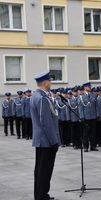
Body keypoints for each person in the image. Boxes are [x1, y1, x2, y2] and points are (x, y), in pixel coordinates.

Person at [31, 71, 60, 200]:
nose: (51, 83)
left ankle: (41, 194)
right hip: (46, 141)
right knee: (44, 170)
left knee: (40, 169)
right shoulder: (42, 98)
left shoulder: (36, 95)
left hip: (41, 140)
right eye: (50, 81)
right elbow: (46, 122)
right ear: (45, 82)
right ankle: (41, 196)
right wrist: (54, 141)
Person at [78, 82, 98, 152]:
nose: (90, 87)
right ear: (85, 88)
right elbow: (80, 107)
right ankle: (85, 147)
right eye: (88, 86)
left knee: (93, 132)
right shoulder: (81, 96)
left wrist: (97, 115)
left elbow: (96, 106)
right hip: (86, 117)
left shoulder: (93, 95)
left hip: (93, 116)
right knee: (85, 133)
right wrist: (82, 117)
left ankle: (93, 146)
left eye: (90, 86)